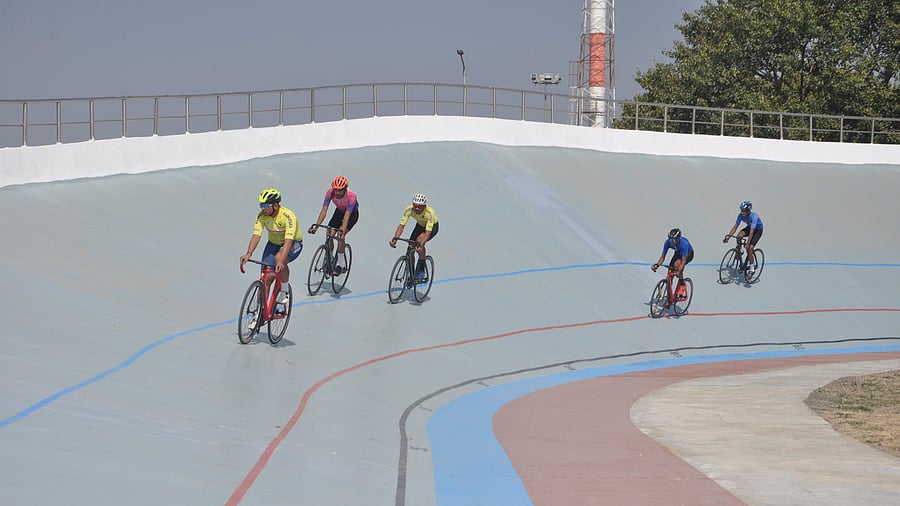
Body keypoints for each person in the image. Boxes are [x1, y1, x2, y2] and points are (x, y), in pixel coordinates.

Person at [240, 188, 303, 315]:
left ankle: (284, 291)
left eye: (265, 206)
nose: (263, 209)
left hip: (293, 243)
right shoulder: (261, 216)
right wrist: (248, 253)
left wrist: (281, 261)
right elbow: (256, 236)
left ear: (275, 205)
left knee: (280, 258)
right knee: (267, 277)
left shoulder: (288, 216)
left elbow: (289, 241)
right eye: (261, 206)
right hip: (273, 244)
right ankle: (259, 311)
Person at [308, 175, 359, 275]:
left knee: (340, 236)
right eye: (335, 190)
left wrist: (342, 231)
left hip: (352, 214)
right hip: (339, 212)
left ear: (345, 189)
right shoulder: (329, 193)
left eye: (340, 190)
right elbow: (324, 211)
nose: (337, 192)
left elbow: (347, 216)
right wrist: (316, 227)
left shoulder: (352, 196)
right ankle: (330, 260)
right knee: (329, 233)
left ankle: (341, 264)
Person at [389, 193, 439, 280]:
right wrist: (395, 238)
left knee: (419, 242)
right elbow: (401, 225)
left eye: (419, 207)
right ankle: (411, 275)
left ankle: (421, 269)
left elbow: (427, 233)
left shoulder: (429, 213)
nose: (416, 208)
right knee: (410, 247)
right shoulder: (409, 209)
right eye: (415, 205)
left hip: (431, 227)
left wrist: (421, 244)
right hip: (420, 225)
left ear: (424, 206)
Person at [651, 228, 694, 299]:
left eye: (673, 240)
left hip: (688, 254)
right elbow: (662, 257)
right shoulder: (667, 242)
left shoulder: (684, 244)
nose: (671, 242)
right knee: (670, 272)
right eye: (670, 239)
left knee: (677, 266)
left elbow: (683, 261)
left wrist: (678, 271)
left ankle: (682, 284)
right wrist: (657, 265)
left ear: (678, 239)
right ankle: (669, 296)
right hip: (678, 252)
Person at [723, 200, 763, 274]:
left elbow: (751, 232)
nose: (742, 212)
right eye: (741, 210)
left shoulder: (754, 216)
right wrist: (728, 237)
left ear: (748, 211)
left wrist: (748, 243)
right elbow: (735, 227)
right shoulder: (740, 215)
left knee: (750, 248)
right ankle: (740, 250)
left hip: (757, 230)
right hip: (750, 227)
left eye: (744, 211)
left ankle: (751, 268)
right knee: (739, 236)